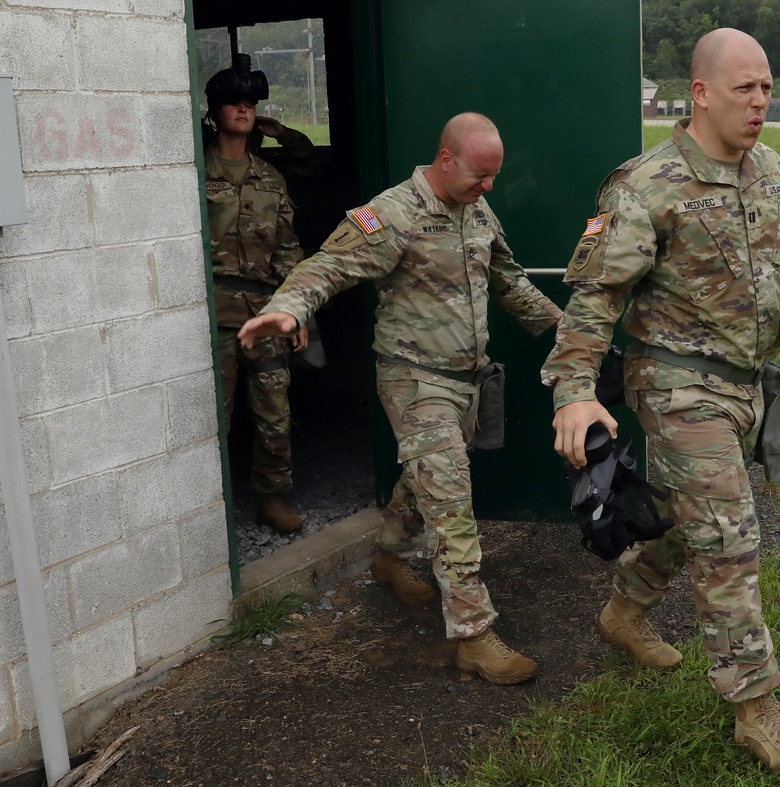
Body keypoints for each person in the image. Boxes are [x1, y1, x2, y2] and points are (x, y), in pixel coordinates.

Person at [541, 28, 780, 773]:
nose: (760, 102)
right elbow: (595, 301)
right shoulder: (645, 186)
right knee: (731, 531)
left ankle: (624, 609)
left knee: (694, 517)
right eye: (745, 87)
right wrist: (576, 391)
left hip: (747, 383)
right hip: (676, 382)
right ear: (701, 92)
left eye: (768, 87)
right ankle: (759, 710)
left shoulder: (772, 171)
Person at [238, 112, 563, 684]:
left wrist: (565, 329)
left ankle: (389, 557)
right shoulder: (392, 214)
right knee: (451, 499)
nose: (488, 188)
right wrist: (289, 307)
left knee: (424, 480)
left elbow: (507, 279)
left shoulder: (476, 208)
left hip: (468, 377)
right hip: (415, 381)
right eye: (479, 177)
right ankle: (475, 636)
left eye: (493, 178)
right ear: (446, 159)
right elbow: (329, 265)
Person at [204, 56, 322, 534]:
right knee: (216, 419)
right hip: (216, 315)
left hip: (267, 315)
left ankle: (272, 498)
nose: (244, 108)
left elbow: (289, 249)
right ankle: (208, 510)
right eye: (233, 102)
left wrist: (299, 314)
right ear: (214, 112)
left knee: (275, 416)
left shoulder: (269, 177)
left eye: (250, 102)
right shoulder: (194, 170)